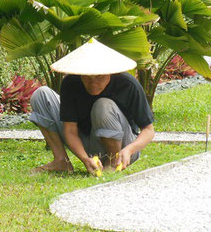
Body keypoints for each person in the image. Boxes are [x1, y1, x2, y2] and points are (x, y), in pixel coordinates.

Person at [29, 38, 155, 175]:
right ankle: (61, 162)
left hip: (123, 146)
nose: (93, 83)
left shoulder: (128, 84)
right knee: (41, 95)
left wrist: (129, 150)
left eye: (99, 77)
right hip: (88, 141)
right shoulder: (71, 82)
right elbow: (70, 130)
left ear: (109, 72)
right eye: (88, 77)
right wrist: (84, 158)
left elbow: (148, 130)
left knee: (102, 104)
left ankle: (112, 162)